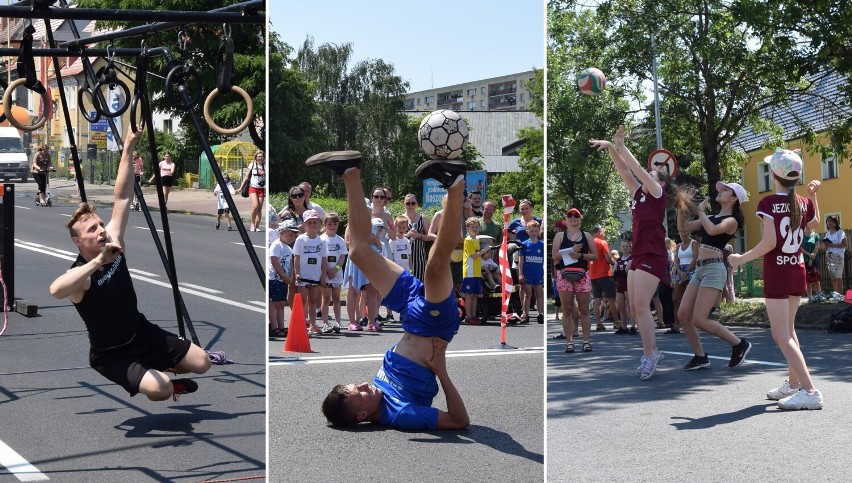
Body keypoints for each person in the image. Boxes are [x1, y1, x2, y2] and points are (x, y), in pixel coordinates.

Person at [49, 126, 210, 401]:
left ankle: (159, 369)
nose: (101, 231)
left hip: (141, 332)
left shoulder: (113, 240)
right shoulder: (81, 275)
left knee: (202, 362)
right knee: (160, 390)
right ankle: (165, 384)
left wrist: (128, 147)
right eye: (92, 230)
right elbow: (56, 290)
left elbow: (123, 197)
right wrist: (99, 261)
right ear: (78, 242)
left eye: (100, 225)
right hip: (112, 353)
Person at [314, 150, 470, 430]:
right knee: (435, 265)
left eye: (356, 385)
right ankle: (455, 182)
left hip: (410, 314)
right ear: (362, 416)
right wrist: (443, 374)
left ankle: (350, 171)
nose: (364, 384)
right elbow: (460, 421)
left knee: (358, 250)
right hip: (434, 325)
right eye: (359, 392)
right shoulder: (401, 413)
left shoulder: (374, 393)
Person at [728, 148, 823, 410]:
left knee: (780, 334)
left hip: (779, 273)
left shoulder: (768, 203)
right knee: (789, 331)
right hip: (797, 269)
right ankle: (794, 384)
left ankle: (810, 390)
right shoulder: (803, 201)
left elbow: (770, 242)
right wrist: (814, 195)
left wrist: (740, 258)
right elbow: (815, 224)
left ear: (773, 175)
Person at [590, 126, 669, 380]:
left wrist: (622, 146)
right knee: (635, 309)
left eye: (652, 175)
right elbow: (625, 170)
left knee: (641, 306)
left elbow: (636, 169)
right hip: (638, 254)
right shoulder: (638, 194)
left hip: (653, 254)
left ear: (660, 182)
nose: (648, 176)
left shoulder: (657, 193)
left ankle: (650, 355)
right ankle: (652, 351)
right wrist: (612, 148)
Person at [676, 181, 751, 371]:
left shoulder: (731, 221)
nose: (721, 192)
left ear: (734, 198)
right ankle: (700, 357)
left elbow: (711, 230)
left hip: (714, 269)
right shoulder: (711, 217)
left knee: (699, 319)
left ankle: (739, 344)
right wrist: (682, 206)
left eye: (725, 190)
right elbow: (684, 229)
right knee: (683, 314)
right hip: (700, 269)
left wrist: (700, 211)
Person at [551, 207, 597, 353]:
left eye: (576, 215)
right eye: (570, 215)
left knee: (584, 309)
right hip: (564, 275)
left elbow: (595, 256)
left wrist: (581, 256)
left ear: (580, 218)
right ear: (566, 218)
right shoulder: (560, 236)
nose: (573, 217)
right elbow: (554, 257)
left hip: (582, 275)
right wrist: (572, 250)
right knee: (567, 309)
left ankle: (586, 341)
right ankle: (569, 342)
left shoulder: (587, 235)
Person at [293, 209, 327, 335]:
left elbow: (324, 259)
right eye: (309, 222)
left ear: (318, 224)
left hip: (315, 276)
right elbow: (296, 258)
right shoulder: (301, 239)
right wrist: (297, 273)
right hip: (303, 276)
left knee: (313, 300)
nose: (312, 225)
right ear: (304, 224)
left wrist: (323, 276)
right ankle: (302, 323)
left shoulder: (321, 241)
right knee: (302, 300)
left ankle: (313, 324)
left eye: (314, 222)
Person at [270, 221, 297, 338]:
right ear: (282, 233)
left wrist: (291, 276)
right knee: (274, 303)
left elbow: (291, 264)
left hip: (284, 281)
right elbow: (274, 261)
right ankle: (274, 327)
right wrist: (283, 275)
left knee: (281, 303)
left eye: (294, 235)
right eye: (290, 234)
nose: (293, 237)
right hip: (274, 279)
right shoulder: (277, 245)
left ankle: (281, 326)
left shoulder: (289, 249)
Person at [320, 212, 347, 333]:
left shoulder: (340, 240)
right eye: (329, 223)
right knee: (325, 298)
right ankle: (325, 323)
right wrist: (326, 271)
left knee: (336, 298)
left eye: (334, 224)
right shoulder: (321, 239)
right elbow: (320, 258)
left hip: (336, 273)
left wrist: (335, 269)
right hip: (324, 273)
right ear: (325, 224)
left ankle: (338, 321)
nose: (332, 226)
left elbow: (342, 257)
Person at [588, 225, 616, 332]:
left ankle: (599, 323)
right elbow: (608, 258)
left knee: (597, 300)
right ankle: (616, 322)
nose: (604, 234)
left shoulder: (588, 243)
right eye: (603, 232)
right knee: (611, 299)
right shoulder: (602, 242)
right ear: (599, 231)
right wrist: (613, 262)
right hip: (604, 274)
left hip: (593, 275)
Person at [461, 217, 488, 325]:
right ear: (467, 228)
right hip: (469, 272)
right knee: (469, 294)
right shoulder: (468, 240)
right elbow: (474, 255)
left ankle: (474, 314)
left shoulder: (476, 240)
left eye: (477, 227)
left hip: (476, 271)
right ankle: (468, 315)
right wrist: (484, 251)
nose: (475, 229)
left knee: (475, 294)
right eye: (473, 227)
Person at [672, 231, 699, 334]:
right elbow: (676, 260)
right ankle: (676, 325)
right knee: (675, 298)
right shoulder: (678, 245)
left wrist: (687, 271)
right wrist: (679, 271)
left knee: (692, 298)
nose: (683, 235)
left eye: (685, 233)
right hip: (681, 270)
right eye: (681, 233)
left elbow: (695, 257)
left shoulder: (693, 243)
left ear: (688, 233)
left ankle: (693, 323)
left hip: (691, 269)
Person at [518, 219, 545, 324]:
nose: (533, 233)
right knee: (527, 295)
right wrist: (520, 273)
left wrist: (543, 274)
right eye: (531, 231)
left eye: (535, 231)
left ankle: (540, 314)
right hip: (527, 273)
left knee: (539, 294)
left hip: (538, 274)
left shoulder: (542, 245)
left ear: (538, 231)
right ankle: (526, 315)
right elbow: (521, 260)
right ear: (527, 232)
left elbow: (543, 260)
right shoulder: (524, 244)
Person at [235, 150, 266, 232]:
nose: (260, 158)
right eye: (259, 156)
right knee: (255, 206)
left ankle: (257, 226)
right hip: (253, 188)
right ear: (256, 157)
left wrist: (265, 174)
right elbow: (246, 177)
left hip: (262, 189)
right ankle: (252, 223)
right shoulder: (252, 165)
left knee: (259, 208)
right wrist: (240, 188)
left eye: (262, 156)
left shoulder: (265, 166)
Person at [403, 194, 431, 282]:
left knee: (420, 280)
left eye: (413, 203)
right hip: (404, 254)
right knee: (406, 279)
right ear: (404, 204)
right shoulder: (400, 218)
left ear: (417, 204)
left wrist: (420, 235)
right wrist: (407, 235)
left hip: (419, 254)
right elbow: (395, 236)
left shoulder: (423, 219)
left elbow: (429, 236)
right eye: (408, 203)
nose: (410, 205)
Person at [823, 215, 846, 301]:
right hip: (829, 256)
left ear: (835, 223)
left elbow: (844, 244)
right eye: (828, 221)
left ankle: (840, 296)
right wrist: (826, 245)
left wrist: (832, 245)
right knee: (833, 277)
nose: (829, 222)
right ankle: (836, 295)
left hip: (839, 256)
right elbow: (826, 247)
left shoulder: (840, 232)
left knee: (838, 276)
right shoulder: (827, 234)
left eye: (831, 221)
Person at [801, 225, 823, 302]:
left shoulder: (816, 235)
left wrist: (811, 258)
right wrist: (808, 254)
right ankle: (810, 298)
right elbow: (801, 248)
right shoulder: (801, 235)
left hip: (814, 260)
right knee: (807, 280)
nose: (807, 226)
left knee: (816, 279)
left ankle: (819, 297)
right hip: (804, 260)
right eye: (806, 224)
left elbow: (816, 247)